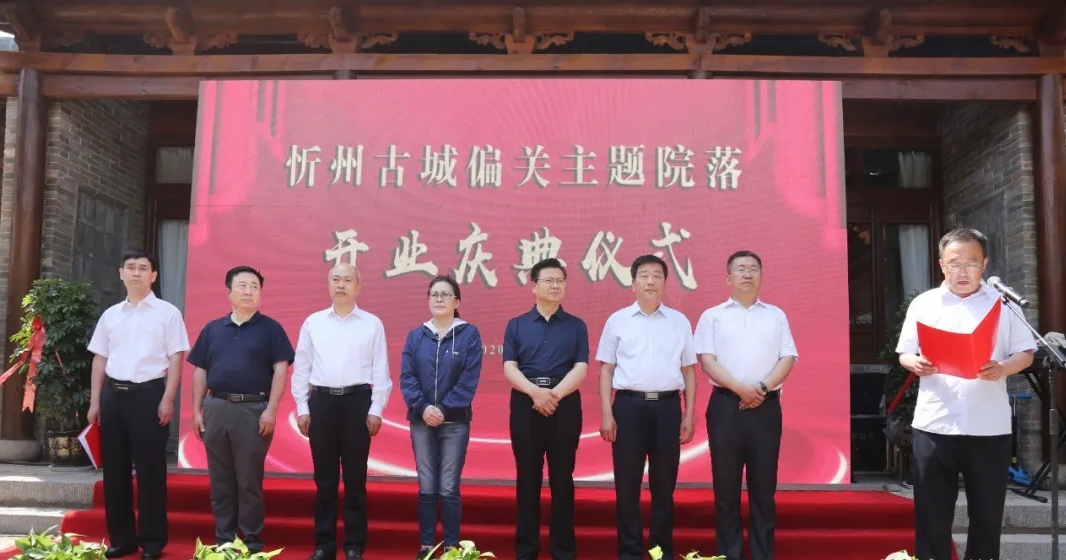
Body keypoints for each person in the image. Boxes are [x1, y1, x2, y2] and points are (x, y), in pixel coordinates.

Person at [896, 228, 1036, 560]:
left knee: (987, 514)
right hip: (935, 421)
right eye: (954, 263)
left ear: (984, 264)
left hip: (989, 425)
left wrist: (1003, 367)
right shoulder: (924, 303)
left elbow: (1026, 353)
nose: (962, 271)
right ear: (941, 264)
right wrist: (915, 363)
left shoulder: (1003, 304)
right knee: (932, 514)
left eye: (971, 263)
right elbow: (905, 352)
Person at [693, 250, 798, 560]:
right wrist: (740, 389)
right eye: (740, 269)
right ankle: (730, 554)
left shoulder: (776, 315)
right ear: (728, 278)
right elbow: (707, 361)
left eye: (754, 268)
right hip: (726, 407)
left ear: (761, 276)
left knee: (763, 489)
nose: (748, 273)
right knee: (726, 489)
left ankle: (763, 554)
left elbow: (788, 357)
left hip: (766, 408)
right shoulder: (712, 316)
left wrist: (761, 389)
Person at [87, 250, 190, 560]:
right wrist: (95, 401)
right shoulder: (111, 315)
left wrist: (168, 398)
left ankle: (153, 541)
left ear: (153, 276)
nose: (136, 273)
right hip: (113, 397)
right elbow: (100, 359)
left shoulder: (168, 313)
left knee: (150, 471)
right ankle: (122, 539)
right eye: (130, 267)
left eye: (143, 268)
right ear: (121, 273)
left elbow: (176, 357)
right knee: (114, 471)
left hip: (149, 396)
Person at [188, 265, 295, 553]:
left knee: (249, 480)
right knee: (220, 479)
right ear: (229, 292)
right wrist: (197, 410)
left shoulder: (271, 329)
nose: (248, 291)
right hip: (216, 408)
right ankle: (224, 540)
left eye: (254, 287)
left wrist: (271, 409)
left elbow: (281, 370)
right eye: (242, 286)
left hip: (253, 410)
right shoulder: (213, 329)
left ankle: (252, 542)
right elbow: (200, 371)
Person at [596, 254, 697, 560]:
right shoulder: (617, 320)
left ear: (665, 283)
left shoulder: (679, 322)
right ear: (633, 283)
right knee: (627, 485)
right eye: (644, 275)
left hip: (668, 408)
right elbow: (606, 370)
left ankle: (660, 552)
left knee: (664, 486)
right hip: (629, 407)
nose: (650, 281)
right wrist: (607, 413)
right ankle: (629, 551)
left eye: (656, 275)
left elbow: (689, 371)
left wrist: (689, 413)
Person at [291, 264, 392, 560]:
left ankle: (354, 545)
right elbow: (302, 368)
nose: (341, 285)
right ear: (328, 284)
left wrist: (376, 409)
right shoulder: (314, 322)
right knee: (324, 479)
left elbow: (380, 369)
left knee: (355, 478)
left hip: (357, 402)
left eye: (348, 280)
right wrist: (302, 407)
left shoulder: (372, 324)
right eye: (336, 279)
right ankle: (324, 544)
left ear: (358, 286)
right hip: (321, 402)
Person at [502, 258, 589, 560]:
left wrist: (554, 395)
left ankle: (563, 550)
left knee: (562, 478)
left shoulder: (576, 326)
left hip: (564, 403)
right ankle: (527, 549)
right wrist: (535, 393)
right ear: (533, 285)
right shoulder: (516, 325)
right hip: (526, 403)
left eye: (560, 281)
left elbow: (581, 368)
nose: (555, 286)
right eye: (549, 280)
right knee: (527, 478)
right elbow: (509, 367)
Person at [400, 274, 483, 560]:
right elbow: (407, 377)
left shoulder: (469, 335)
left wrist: (443, 409)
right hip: (420, 421)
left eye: (445, 294)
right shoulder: (416, 336)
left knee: (448, 486)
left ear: (457, 302)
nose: (439, 299)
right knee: (426, 485)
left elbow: (468, 380)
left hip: (455, 422)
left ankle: (450, 548)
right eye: (434, 294)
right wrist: (423, 407)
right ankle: (426, 546)